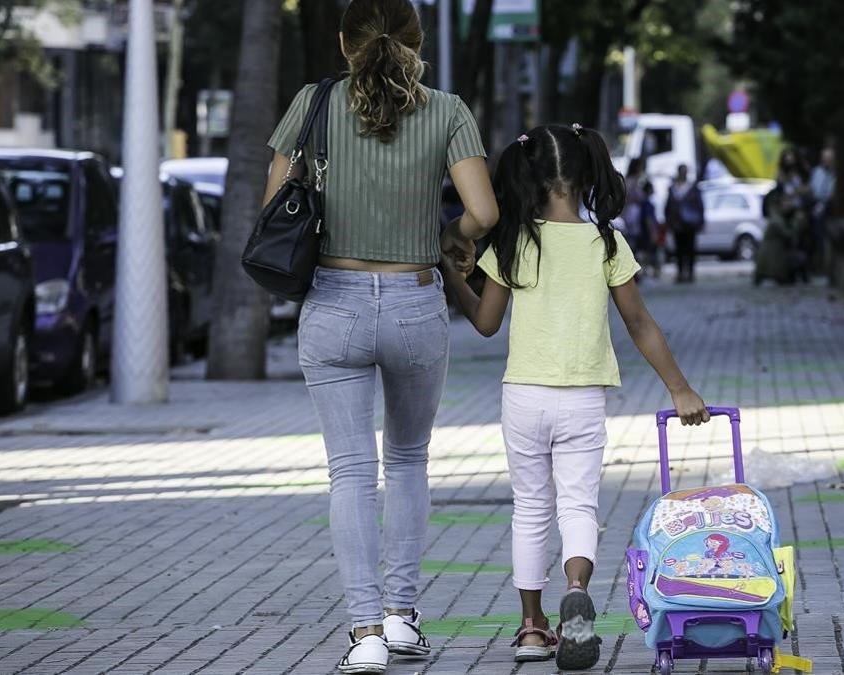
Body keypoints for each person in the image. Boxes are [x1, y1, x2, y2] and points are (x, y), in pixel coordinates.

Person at [263, 1, 498, 672]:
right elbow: (483, 212)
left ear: (345, 42)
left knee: (350, 471)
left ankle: (364, 631)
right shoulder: (447, 110)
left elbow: (273, 202)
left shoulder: (313, 103)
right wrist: (448, 239)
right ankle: (401, 617)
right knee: (408, 461)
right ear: (417, 42)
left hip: (333, 302)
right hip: (414, 302)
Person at [440, 124, 710, 671]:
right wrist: (680, 388)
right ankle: (576, 590)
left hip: (524, 396)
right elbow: (640, 323)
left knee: (530, 508)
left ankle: (531, 626)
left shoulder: (515, 242)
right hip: (583, 396)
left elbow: (486, 323)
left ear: (530, 178)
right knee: (579, 504)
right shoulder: (605, 243)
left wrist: (451, 274)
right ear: (585, 176)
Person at [664, 164, 704, 283]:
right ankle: (681, 272)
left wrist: (700, 221)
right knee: (679, 250)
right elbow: (668, 207)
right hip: (677, 224)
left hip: (690, 224)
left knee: (690, 249)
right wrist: (669, 221)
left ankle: (690, 273)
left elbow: (699, 206)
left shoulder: (692, 188)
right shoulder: (673, 188)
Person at [806, 147, 836, 272]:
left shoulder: (834, 174)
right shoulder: (816, 172)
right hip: (815, 206)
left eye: (829, 158)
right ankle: (817, 264)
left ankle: (825, 266)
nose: (827, 161)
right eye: (825, 158)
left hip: (829, 207)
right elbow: (812, 189)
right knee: (816, 236)